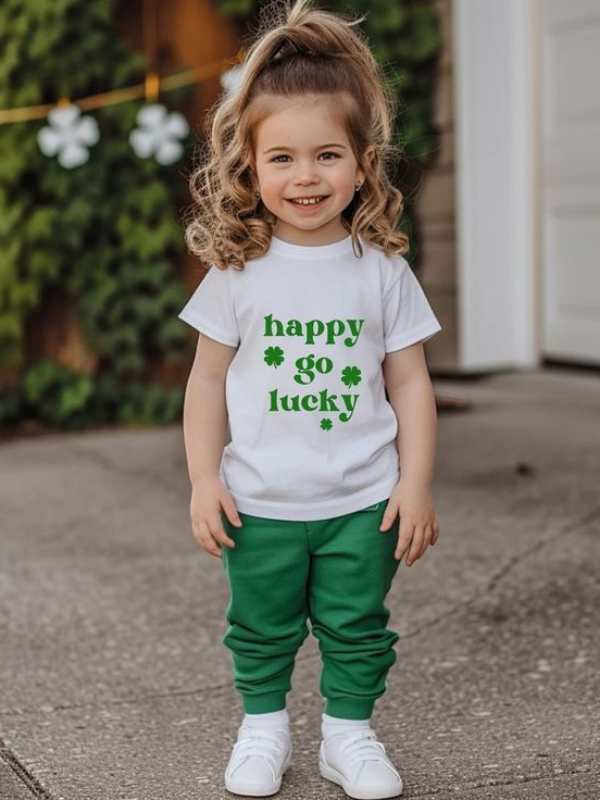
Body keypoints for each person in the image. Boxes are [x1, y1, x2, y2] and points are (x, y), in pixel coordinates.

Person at [178, 1, 442, 796]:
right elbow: (206, 380)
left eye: (327, 155)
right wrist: (202, 479)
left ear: (362, 163)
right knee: (260, 627)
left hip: (363, 497)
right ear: (250, 168)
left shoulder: (380, 269)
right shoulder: (238, 271)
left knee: (358, 626)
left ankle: (347, 736)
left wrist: (416, 481)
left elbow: (411, 382)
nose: (306, 177)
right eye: (283, 159)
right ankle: (263, 731)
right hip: (260, 498)